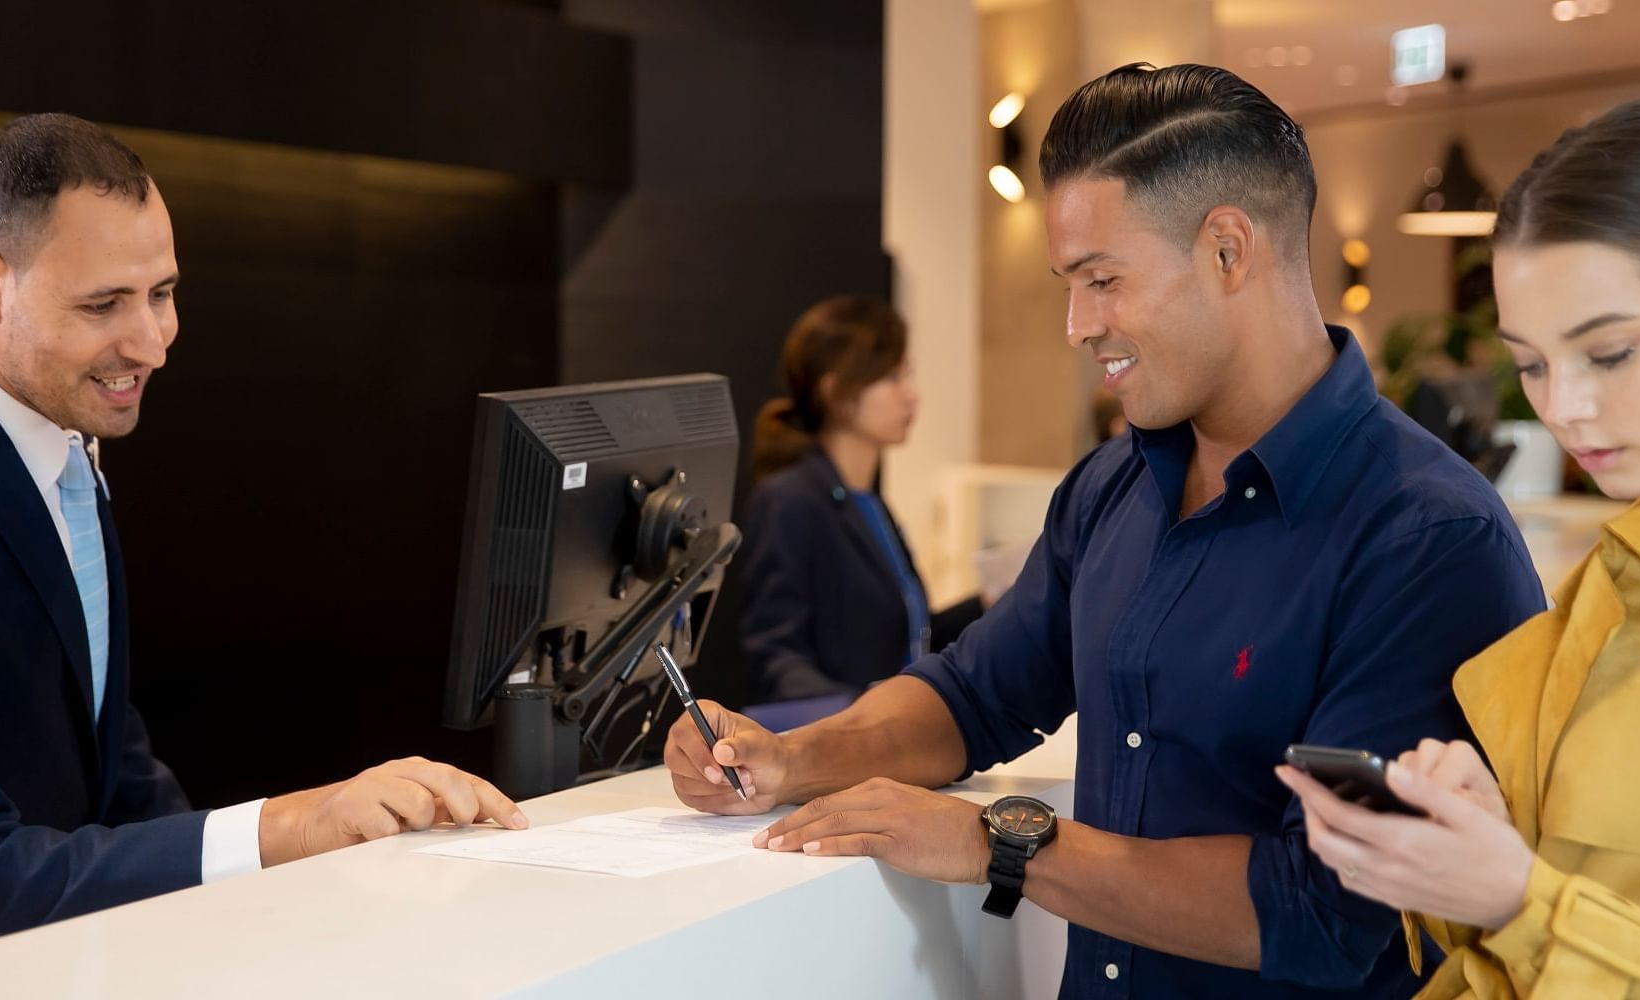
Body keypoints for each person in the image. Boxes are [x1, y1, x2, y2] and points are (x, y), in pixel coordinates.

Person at [663, 63, 1546, 997]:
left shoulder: (1430, 538)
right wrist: (790, 758)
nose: (1078, 324)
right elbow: (975, 695)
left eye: (1103, 280)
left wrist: (1000, 845)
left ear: (1228, 251)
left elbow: (1324, 913)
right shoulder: (1111, 488)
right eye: (1069, 284)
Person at [0, 113, 525, 967]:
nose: (152, 345)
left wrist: (281, 902)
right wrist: (288, 827)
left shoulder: (49, 415)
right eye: (104, 304)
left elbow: (107, 761)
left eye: (163, 292)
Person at [1280, 99, 1640, 998]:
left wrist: (1519, 898)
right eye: (1531, 363)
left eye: (1609, 354)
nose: (1562, 408)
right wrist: (1479, 845)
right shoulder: (1608, 584)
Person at [741, 295, 981, 704]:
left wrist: (989, 602)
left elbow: (912, 640)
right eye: (891, 377)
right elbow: (775, 658)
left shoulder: (868, 503)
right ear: (836, 393)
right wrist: (860, 717)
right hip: (836, 750)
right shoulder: (789, 500)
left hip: (887, 745)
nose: (912, 395)